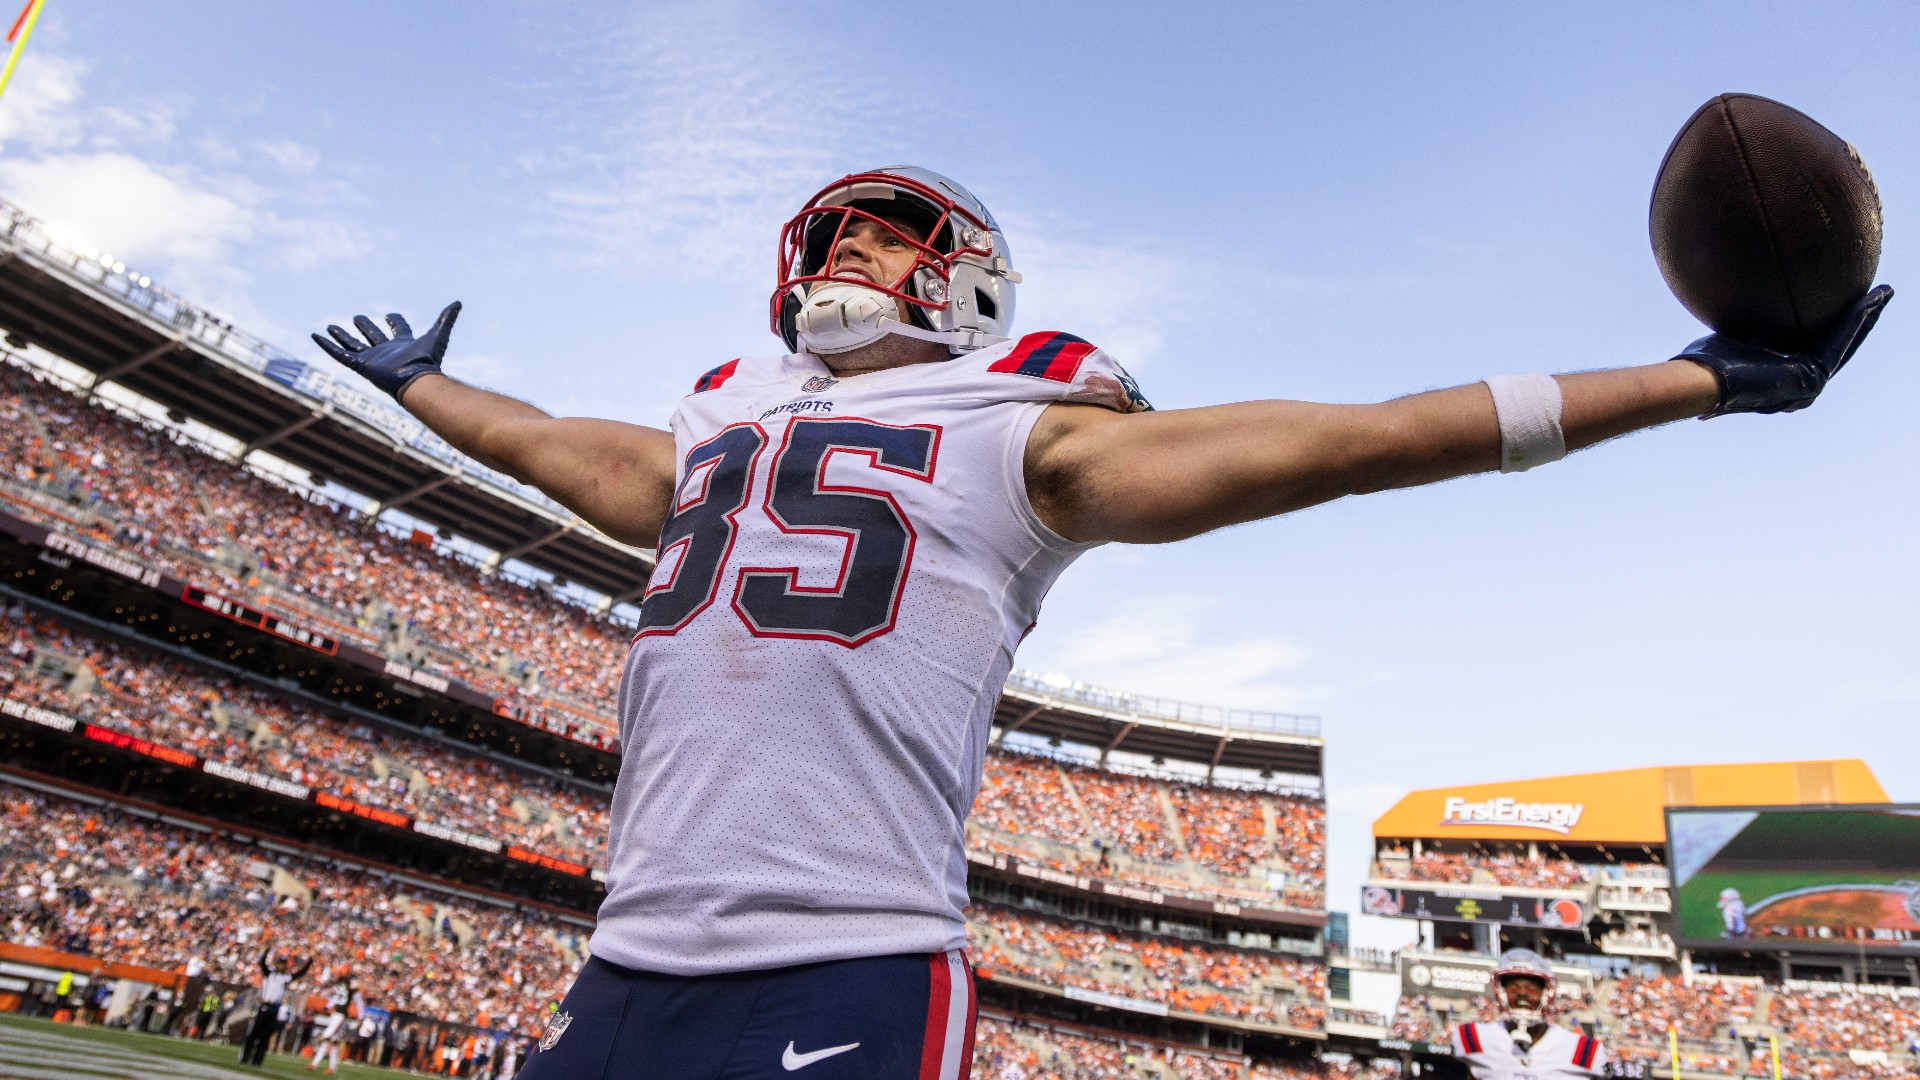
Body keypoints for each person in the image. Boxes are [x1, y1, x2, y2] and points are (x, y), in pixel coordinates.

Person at [314, 167, 1892, 1080]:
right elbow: (565, 450)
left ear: (973, 283)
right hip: (624, 966)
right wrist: (431, 392)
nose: (850, 246)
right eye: (836, 231)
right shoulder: (718, 427)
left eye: (891, 230)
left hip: (843, 968)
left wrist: (1686, 387)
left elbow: (1362, 434)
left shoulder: (1031, 431)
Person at [1449, 949, 1607, 1080]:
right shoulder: (1472, 1038)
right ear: (1501, 992)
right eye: (1514, 988)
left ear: (1546, 993)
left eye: (1531, 988)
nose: (1522, 994)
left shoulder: (1583, 1050)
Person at [240, 947, 311, 1066]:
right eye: (280, 963)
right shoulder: (270, 974)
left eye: (283, 964)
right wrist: (267, 951)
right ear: (277, 964)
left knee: (265, 1036)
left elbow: (300, 973)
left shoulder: (286, 978)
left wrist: (309, 962)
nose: (281, 966)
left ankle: (257, 1061)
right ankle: (244, 1058)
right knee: (254, 1033)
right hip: (264, 1006)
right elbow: (262, 964)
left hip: (275, 1009)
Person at [308, 975, 359, 1074]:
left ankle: (317, 1063)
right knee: (333, 1042)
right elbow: (338, 997)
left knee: (329, 1040)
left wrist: (326, 1007)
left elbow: (338, 997)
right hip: (338, 1014)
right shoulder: (346, 989)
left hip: (340, 1016)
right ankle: (328, 1066)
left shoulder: (345, 989)